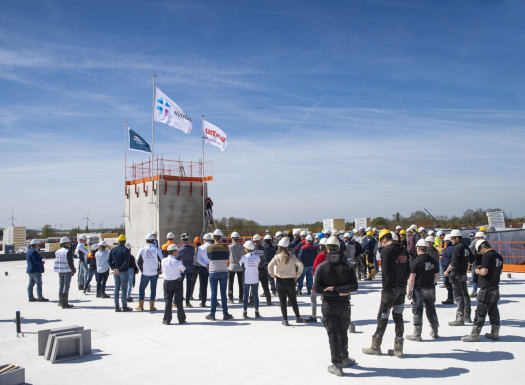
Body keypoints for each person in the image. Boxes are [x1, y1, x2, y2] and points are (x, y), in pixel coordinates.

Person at [315, 235, 358, 376]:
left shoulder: (321, 267)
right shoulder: (348, 266)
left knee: (333, 334)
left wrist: (333, 290)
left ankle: (337, 364)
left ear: (326, 248)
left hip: (328, 304)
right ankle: (344, 357)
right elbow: (354, 286)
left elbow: (318, 289)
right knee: (343, 332)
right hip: (344, 304)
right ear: (339, 248)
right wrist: (340, 292)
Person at [363, 229, 409, 358]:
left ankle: (376, 346)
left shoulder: (387, 251)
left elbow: (386, 273)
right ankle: (398, 348)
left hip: (390, 289)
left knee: (383, 316)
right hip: (401, 287)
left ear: (384, 240)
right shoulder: (403, 249)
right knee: (398, 316)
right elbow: (408, 270)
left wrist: (386, 289)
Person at [462, 240, 503, 342]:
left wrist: (477, 270)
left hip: (486, 288)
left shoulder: (487, 256)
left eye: (481, 251)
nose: (481, 253)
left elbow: (484, 272)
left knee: (480, 311)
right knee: (493, 310)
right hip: (495, 287)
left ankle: (475, 334)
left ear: (482, 248)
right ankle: (495, 332)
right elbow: (500, 271)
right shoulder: (498, 256)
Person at [406, 239, 440, 341]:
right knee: (431, 310)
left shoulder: (416, 261)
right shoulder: (433, 261)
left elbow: (412, 278)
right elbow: (437, 275)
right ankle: (434, 331)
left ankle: (417, 334)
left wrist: (408, 291)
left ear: (417, 248)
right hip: (430, 289)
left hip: (419, 289)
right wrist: (432, 283)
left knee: (417, 311)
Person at [267, 237, 305, 326]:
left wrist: (273, 275)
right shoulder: (292, 256)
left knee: (282, 302)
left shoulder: (277, 257)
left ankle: (285, 320)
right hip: (290, 281)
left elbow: (269, 266)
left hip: (280, 281)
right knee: (293, 301)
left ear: (279, 247)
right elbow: (301, 265)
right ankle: (298, 317)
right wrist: (297, 275)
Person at [444, 229, 472, 326]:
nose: (451, 240)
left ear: (457, 238)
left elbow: (454, 262)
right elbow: (472, 260)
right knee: (465, 294)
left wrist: (447, 271)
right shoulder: (466, 247)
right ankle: (467, 316)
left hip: (456, 274)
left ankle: (460, 318)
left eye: (452, 238)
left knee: (458, 296)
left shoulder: (457, 248)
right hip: (463, 273)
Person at [205, 229, 234, 321]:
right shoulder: (226, 247)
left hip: (213, 272)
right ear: (221, 237)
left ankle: (212, 314)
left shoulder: (209, 248)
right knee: (223, 294)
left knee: (214, 294)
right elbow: (226, 257)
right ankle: (225, 313)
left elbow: (209, 258)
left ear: (213, 237)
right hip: (224, 271)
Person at [135, 233, 163, 312]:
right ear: (153, 241)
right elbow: (162, 260)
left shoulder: (142, 249)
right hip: (154, 272)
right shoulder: (157, 250)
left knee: (141, 288)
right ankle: (152, 306)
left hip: (145, 272)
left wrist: (141, 269)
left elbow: (137, 260)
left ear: (146, 241)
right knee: (153, 289)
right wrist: (161, 270)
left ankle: (141, 306)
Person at [162, 243, 186, 325]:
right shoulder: (177, 261)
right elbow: (183, 270)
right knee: (179, 301)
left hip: (167, 282)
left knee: (168, 301)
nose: (178, 253)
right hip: (177, 282)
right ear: (173, 252)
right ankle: (181, 319)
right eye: (177, 251)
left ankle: (166, 319)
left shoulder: (163, 261)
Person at [107, 240, 132, 312]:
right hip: (123, 271)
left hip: (115, 272)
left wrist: (114, 268)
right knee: (124, 289)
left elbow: (109, 261)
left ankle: (116, 306)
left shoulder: (113, 250)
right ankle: (124, 306)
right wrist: (120, 269)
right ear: (124, 242)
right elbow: (126, 262)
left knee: (116, 288)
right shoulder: (126, 250)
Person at [240, 240, 262, 319]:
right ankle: (256, 312)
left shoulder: (244, 257)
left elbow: (241, 265)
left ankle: (245, 312)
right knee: (255, 296)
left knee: (245, 296)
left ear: (246, 248)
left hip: (246, 279)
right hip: (255, 278)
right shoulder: (257, 257)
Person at [54, 237, 76, 309]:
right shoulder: (68, 251)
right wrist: (73, 270)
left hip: (60, 270)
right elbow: (70, 262)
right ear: (65, 243)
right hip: (67, 270)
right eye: (69, 243)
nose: (70, 244)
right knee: (66, 286)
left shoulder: (57, 251)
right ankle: (65, 303)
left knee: (61, 286)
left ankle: (60, 301)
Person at [178, 233, 195, 307]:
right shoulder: (192, 248)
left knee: (180, 285)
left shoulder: (180, 249)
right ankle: (187, 302)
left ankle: (178, 300)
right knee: (189, 285)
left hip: (182, 268)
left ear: (182, 241)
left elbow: (177, 259)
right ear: (187, 240)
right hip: (190, 268)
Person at [228, 232, 244, 304]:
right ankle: (241, 298)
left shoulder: (230, 247)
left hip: (232, 267)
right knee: (241, 283)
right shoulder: (242, 247)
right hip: (240, 267)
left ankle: (231, 298)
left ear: (232, 238)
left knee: (231, 283)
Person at [197, 233, 213, 307]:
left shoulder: (201, 248)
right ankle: (214, 301)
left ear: (204, 240)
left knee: (203, 285)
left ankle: (203, 302)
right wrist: (210, 265)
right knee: (213, 286)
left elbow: (198, 259)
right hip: (212, 267)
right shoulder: (213, 247)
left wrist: (205, 265)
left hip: (203, 268)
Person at [469, 231, 486, 298]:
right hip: (477, 262)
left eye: (477, 238)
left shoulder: (482, 244)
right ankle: (475, 291)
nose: (476, 239)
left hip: (480, 262)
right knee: (475, 277)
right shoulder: (476, 243)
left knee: (479, 277)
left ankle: (479, 291)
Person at [440, 234, 455, 305]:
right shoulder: (449, 248)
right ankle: (450, 298)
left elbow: (452, 260)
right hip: (447, 268)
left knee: (449, 284)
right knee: (448, 284)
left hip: (449, 269)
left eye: (445, 241)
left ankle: (451, 298)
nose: (444, 242)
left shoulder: (450, 248)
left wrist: (447, 270)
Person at [190, 237, 202, 302]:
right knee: (201, 281)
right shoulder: (202, 249)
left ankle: (190, 295)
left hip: (194, 266)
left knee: (192, 282)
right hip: (201, 266)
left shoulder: (193, 250)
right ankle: (201, 296)